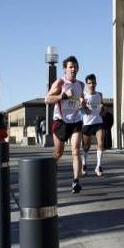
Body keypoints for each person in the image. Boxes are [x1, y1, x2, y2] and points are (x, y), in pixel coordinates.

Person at [45, 55, 86, 194]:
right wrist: (63, 96)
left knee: (76, 151)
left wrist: (82, 103)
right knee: (59, 152)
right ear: (65, 69)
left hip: (75, 121)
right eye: (70, 67)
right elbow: (47, 99)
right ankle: (52, 166)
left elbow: (81, 99)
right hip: (61, 122)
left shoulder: (81, 85)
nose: (73, 69)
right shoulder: (60, 83)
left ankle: (75, 181)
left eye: (75, 67)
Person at [81, 74, 106, 177]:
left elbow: (102, 104)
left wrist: (103, 109)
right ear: (87, 84)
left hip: (98, 122)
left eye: (93, 83)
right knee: (87, 146)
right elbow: (80, 108)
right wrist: (83, 108)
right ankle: (84, 164)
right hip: (87, 123)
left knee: (101, 142)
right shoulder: (83, 95)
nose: (92, 85)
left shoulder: (99, 94)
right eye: (90, 83)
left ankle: (98, 166)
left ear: (96, 83)